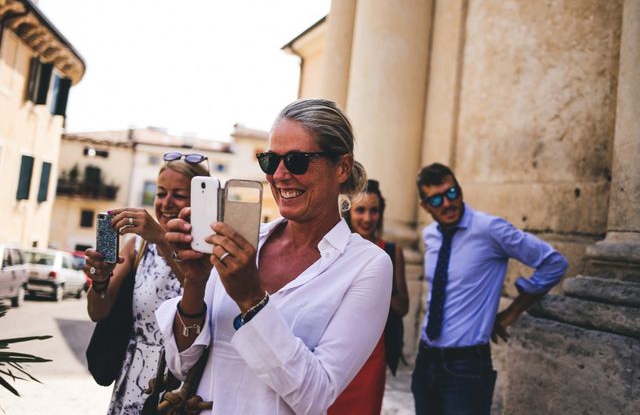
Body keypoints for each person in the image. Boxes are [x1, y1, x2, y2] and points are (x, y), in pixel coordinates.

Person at [156, 99, 393, 414]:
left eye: (296, 161)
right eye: (270, 161)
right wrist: (195, 282)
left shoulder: (367, 265)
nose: (279, 176)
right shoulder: (242, 242)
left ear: (342, 167)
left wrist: (252, 299)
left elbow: (316, 395)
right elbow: (182, 364)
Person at [411, 163, 569, 415]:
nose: (447, 203)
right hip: (426, 358)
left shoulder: (489, 229)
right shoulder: (430, 235)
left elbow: (554, 263)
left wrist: (513, 311)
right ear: (425, 207)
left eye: (451, 193)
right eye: (436, 199)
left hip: (466, 367)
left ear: (460, 191)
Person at [84, 152, 209, 414]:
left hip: (184, 382)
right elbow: (97, 312)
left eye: (179, 194)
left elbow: (203, 297)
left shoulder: (208, 250)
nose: (166, 203)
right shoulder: (138, 246)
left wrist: (163, 238)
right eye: (161, 192)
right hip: (135, 374)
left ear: (200, 200)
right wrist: (99, 281)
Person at [329, 179, 409, 414]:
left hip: (373, 355)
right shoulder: (335, 249)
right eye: (360, 210)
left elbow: (403, 307)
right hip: (336, 352)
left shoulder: (392, 251)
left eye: (374, 210)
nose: (367, 218)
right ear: (348, 213)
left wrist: (380, 285)